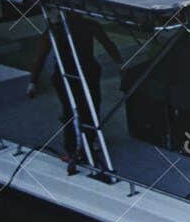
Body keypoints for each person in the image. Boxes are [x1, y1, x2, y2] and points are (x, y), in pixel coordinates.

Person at [27, 12, 123, 171]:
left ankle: (83, 143)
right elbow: (109, 44)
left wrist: (32, 81)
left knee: (80, 108)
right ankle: (78, 146)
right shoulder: (60, 30)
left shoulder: (60, 29)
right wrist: (32, 81)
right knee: (82, 107)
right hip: (73, 74)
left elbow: (40, 57)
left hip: (82, 72)